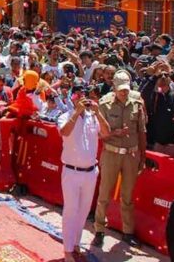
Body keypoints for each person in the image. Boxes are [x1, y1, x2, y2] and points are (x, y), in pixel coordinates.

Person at [92, 70, 146, 248]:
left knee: (127, 196)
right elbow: (100, 134)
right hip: (111, 153)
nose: (124, 92)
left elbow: (141, 131)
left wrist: (143, 156)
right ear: (114, 87)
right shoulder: (104, 104)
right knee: (104, 194)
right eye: (121, 89)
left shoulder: (137, 102)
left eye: (126, 89)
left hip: (131, 155)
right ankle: (99, 230)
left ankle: (128, 232)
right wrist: (115, 133)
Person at [57, 84, 110, 261]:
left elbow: (106, 133)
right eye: (78, 95)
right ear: (72, 98)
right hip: (71, 172)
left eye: (84, 95)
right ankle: (67, 250)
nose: (81, 98)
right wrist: (76, 113)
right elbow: (64, 132)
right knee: (71, 210)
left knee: (84, 210)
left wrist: (98, 113)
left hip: (90, 172)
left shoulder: (92, 118)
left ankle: (76, 243)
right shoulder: (65, 116)